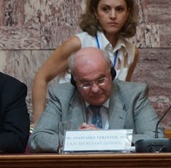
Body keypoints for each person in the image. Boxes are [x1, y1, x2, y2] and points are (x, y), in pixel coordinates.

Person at [31, 0, 140, 124]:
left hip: (109, 125)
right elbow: (42, 77)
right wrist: (38, 126)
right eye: (105, 9)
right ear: (95, 12)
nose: (113, 15)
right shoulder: (78, 43)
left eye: (119, 9)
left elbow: (123, 93)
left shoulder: (131, 52)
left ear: (127, 13)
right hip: (73, 121)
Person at [28, 47, 159, 153]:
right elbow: (37, 138)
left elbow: (156, 138)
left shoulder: (134, 95)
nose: (95, 89)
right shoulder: (61, 96)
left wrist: (103, 138)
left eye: (101, 80)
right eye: (86, 84)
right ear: (74, 81)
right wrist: (78, 140)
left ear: (111, 73)